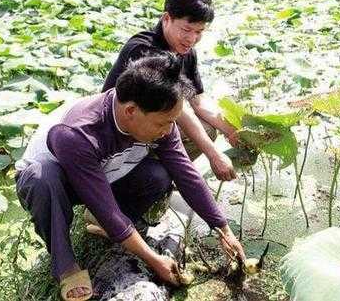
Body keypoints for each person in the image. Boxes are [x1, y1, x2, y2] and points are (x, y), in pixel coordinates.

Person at [15, 55, 245, 301]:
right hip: (60, 180)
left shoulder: (155, 118)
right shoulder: (76, 133)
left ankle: (106, 227)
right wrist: (154, 260)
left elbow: (186, 173)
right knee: (43, 178)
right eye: (163, 123)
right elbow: (106, 207)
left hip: (105, 173)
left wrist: (222, 229)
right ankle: (65, 265)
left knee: (158, 175)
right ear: (131, 111)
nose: (169, 130)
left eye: (172, 122)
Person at [102, 0, 238, 182]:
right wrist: (214, 155)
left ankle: (162, 174)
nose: (192, 39)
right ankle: (139, 177)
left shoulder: (186, 51)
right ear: (166, 19)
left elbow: (198, 102)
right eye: (186, 29)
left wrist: (233, 131)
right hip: (119, 134)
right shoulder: (143, 50)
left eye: (199, 32)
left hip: (150, 127)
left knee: (208, 129)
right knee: (189, 143)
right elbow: (180, 112)